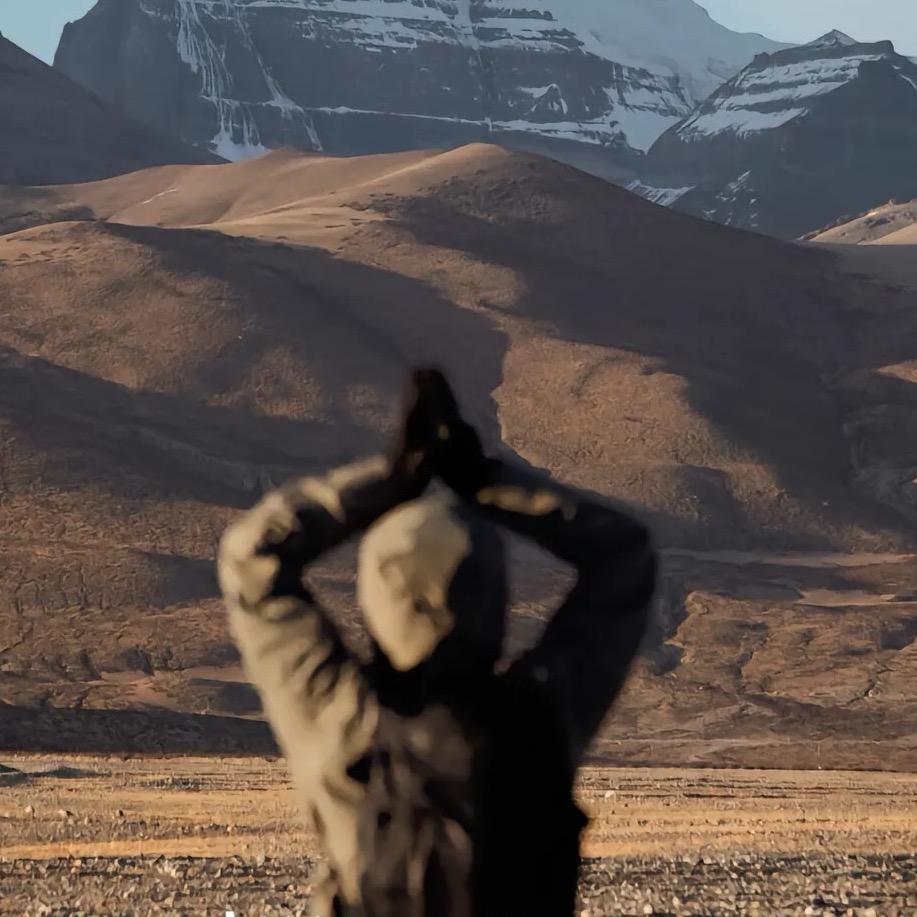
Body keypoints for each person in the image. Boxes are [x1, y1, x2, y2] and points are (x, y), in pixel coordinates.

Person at [218, 369, 657, 917]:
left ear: (378, 596)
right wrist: (485, 481)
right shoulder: (539, 723)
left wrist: (394, 475)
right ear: (495, 597)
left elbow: (253, 557)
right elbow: (624, 555)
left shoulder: (343, 722)